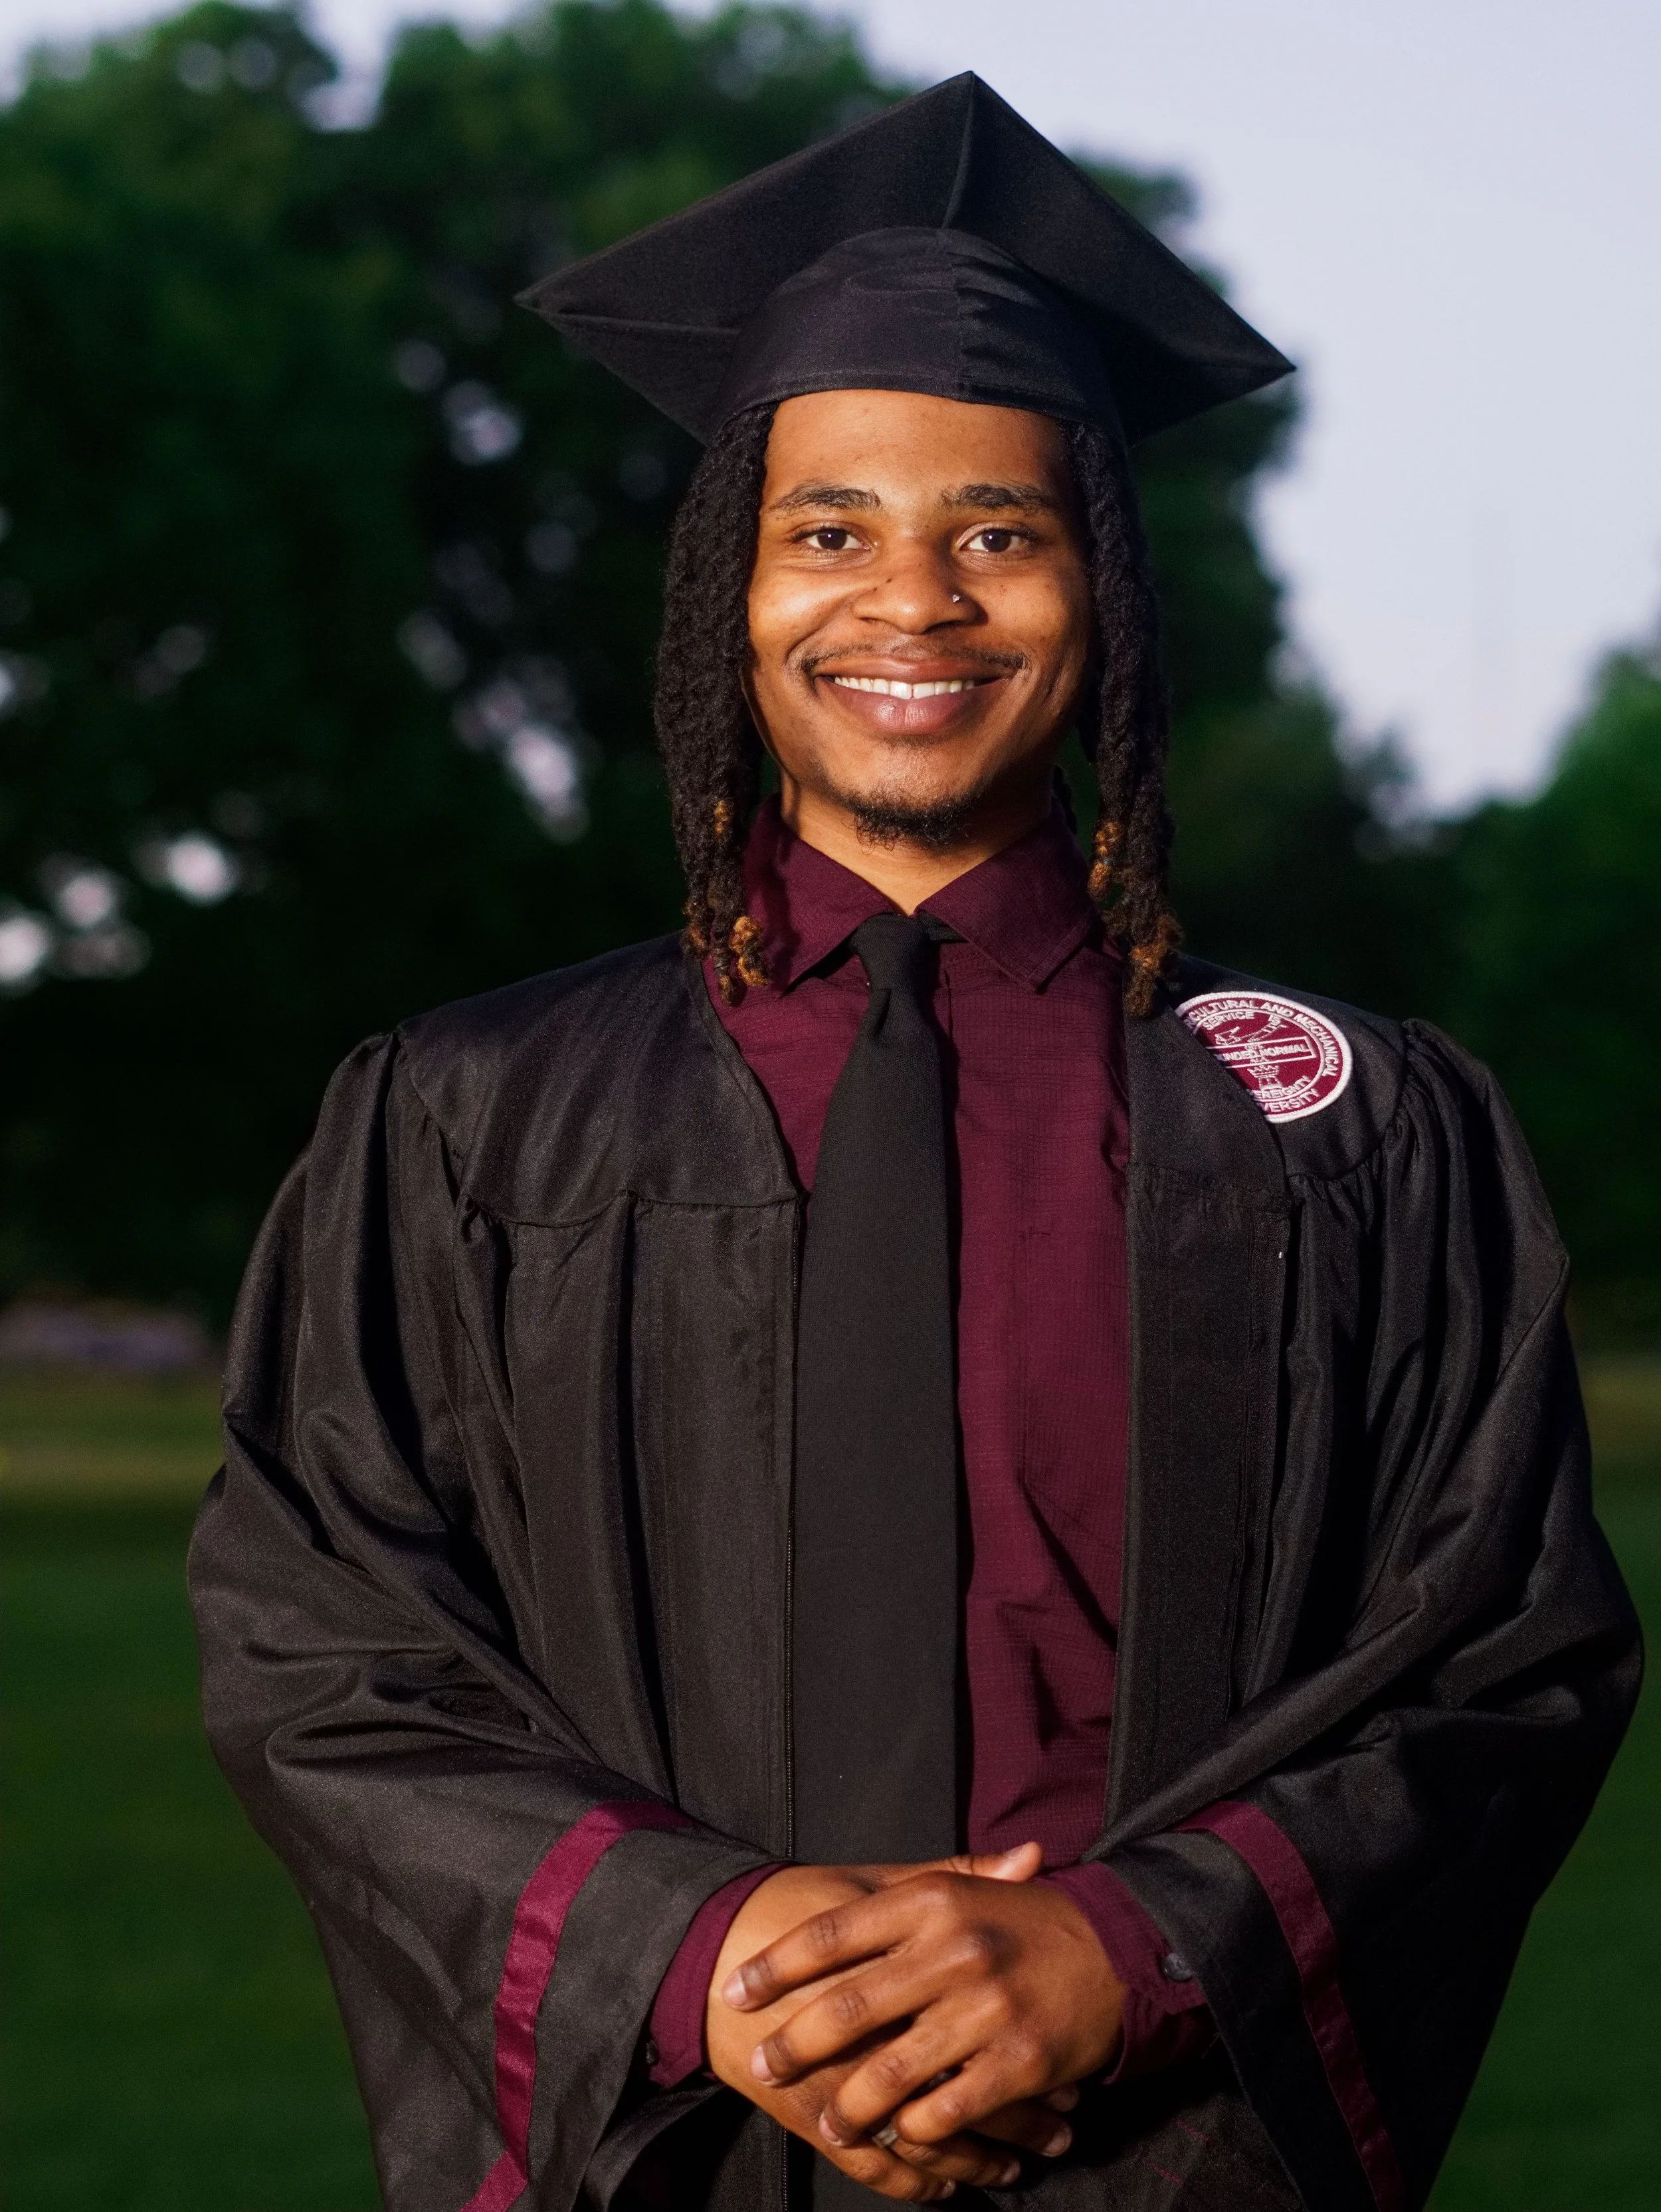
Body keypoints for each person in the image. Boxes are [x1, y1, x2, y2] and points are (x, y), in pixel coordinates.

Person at [189, 74, 1639, 2212]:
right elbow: (318, 1631)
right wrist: (703, 1950)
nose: (914, 602)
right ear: (731, 590)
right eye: (830, 529)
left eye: (996, 530)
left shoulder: (1349, 1130)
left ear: (1102, 588)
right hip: (663, 2148)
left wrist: (1128, 1953)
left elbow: (1501, 1650)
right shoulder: (470, 1118)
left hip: (1160, 2149)